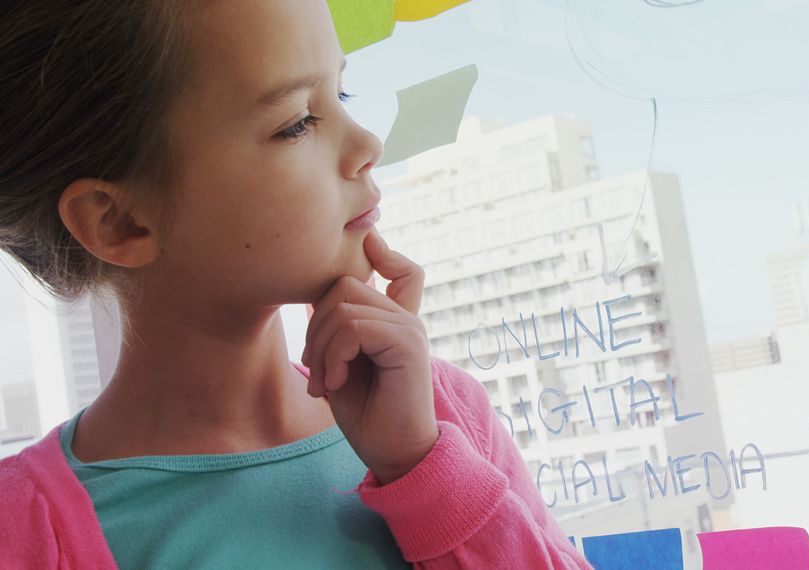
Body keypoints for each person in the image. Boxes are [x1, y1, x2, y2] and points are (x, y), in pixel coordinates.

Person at [0, 1, 593, 568]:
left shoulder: (440, 417)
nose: (367, 145)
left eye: (341, 93)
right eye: (297, 123)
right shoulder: (25, 531)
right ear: (120, 221)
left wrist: (423, 470)